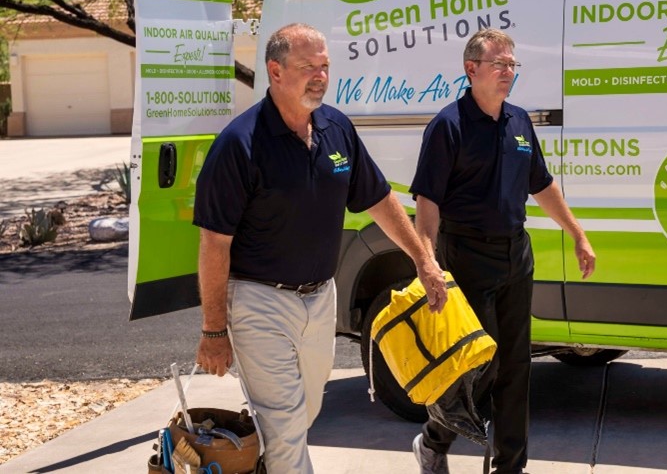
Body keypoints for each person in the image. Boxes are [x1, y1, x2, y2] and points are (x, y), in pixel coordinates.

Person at [193, 23, 448, 474]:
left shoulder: (335, 128)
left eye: (325, 66)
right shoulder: (239, 144)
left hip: (320, 299)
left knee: (303, 414)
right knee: (286, 425)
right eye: (308, 66)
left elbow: (378, 199)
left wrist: (422, 259)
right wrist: (214, 330)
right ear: (274, 71)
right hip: (258, 301)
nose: (320, 76)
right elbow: (214, 244)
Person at [409, 28, 596, 474]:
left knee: (516, 367)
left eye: (512, 64)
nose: (508, 72)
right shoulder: (448, 126)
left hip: (516, 255)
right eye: (499, 64)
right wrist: (428, 262)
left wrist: (577, 232)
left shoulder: (518, 121)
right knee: (479, 367)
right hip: (466, 256)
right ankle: (434, 438)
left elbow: (542, 184)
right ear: (471, 69)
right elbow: (427, 203)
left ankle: (510, 466)